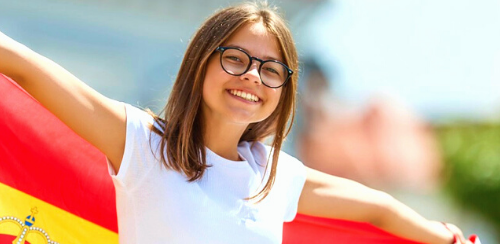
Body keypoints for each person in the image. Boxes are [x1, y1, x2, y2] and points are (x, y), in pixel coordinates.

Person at [0, 2, 471, 244]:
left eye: (271, 70)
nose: (252, 76)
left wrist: (445, 237)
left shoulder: (273, 177)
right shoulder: (142, 143)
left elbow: (378, 207)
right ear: (201, 64)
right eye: (236, 58)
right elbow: (24, 68)